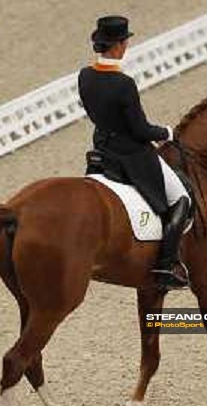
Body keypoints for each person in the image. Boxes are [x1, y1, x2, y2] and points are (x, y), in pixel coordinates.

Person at [78, 15, 191, 289]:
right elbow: (140, 130)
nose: (126, 45)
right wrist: (167, 132)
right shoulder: (123, 83)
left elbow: (95, 114)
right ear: (118, 45)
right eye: (125, 41)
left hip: (103, 149)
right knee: (181, 199)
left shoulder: (85, 75)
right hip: (130, 155)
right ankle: (166, 266)